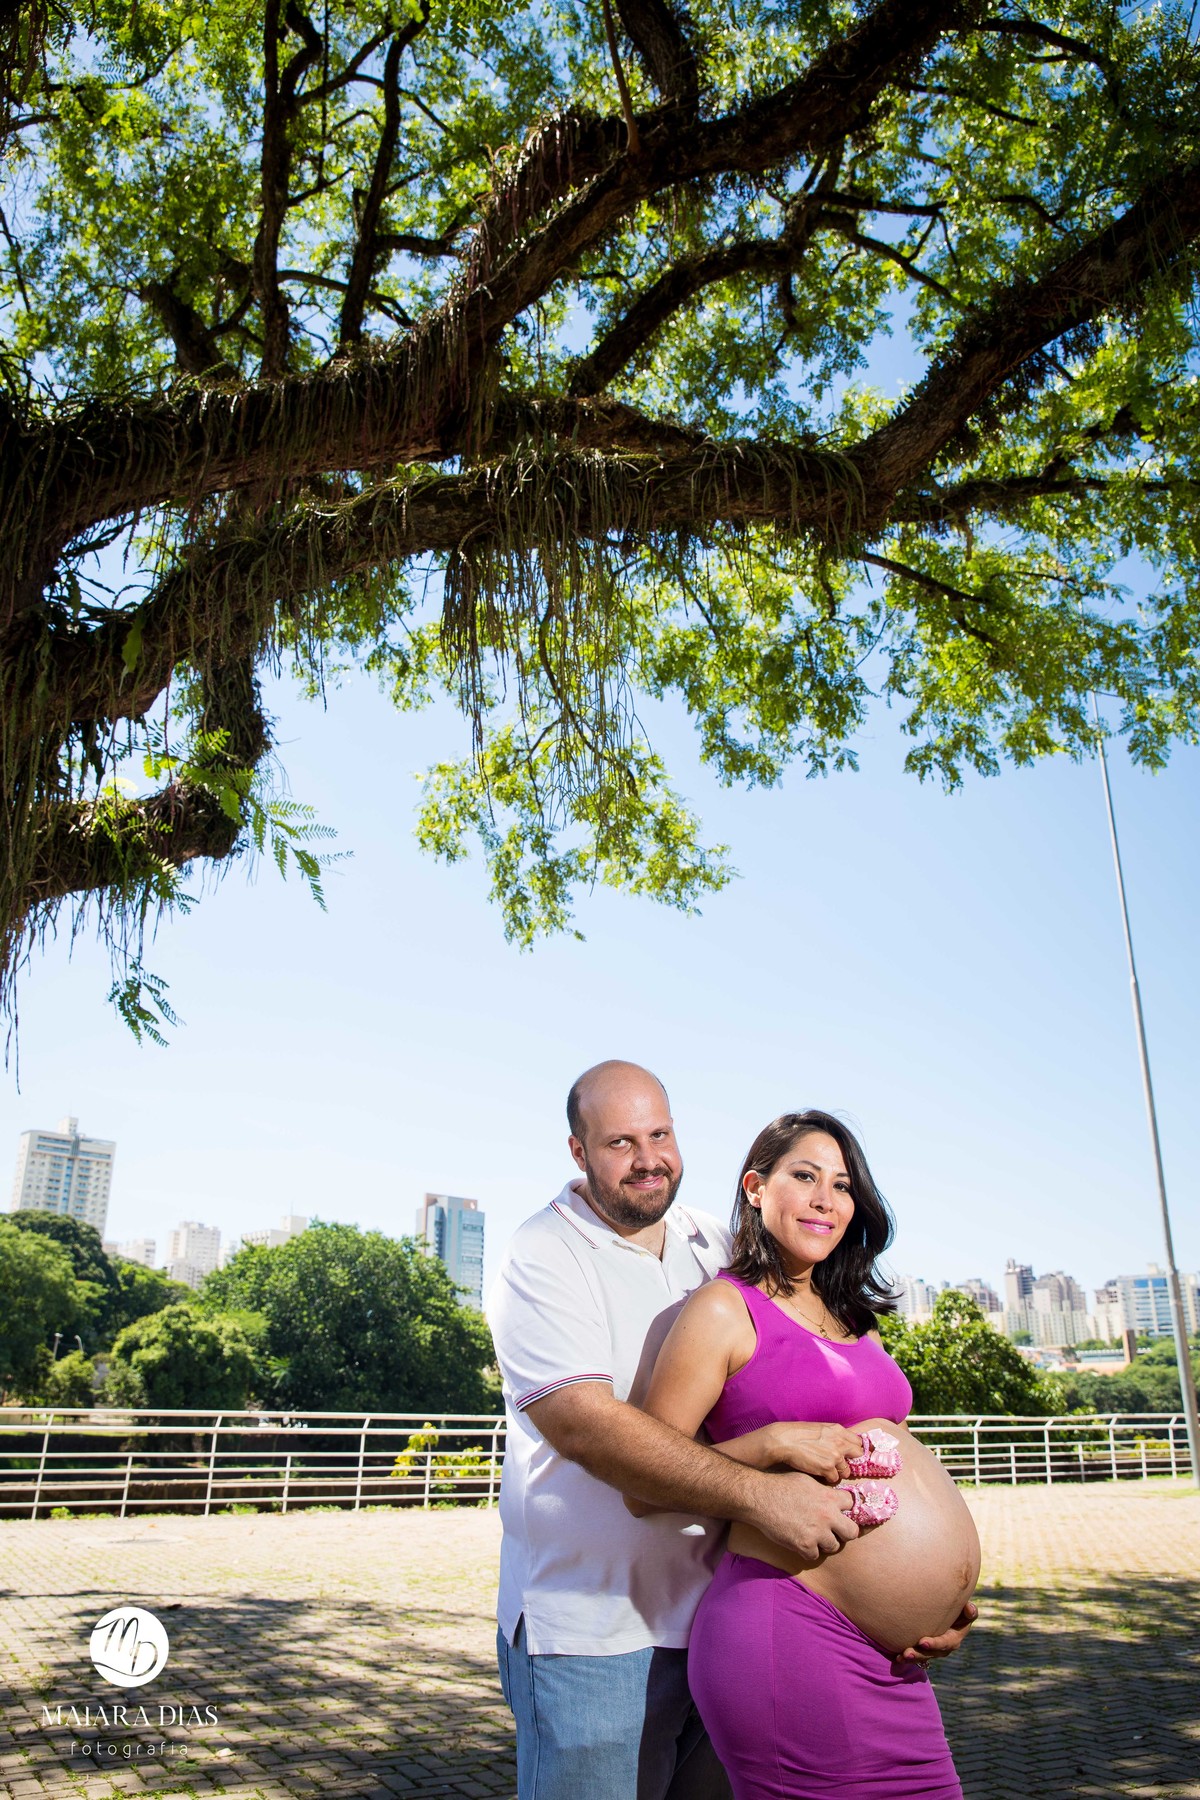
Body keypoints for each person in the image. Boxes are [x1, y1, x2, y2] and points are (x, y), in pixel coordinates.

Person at [486, 1065, 975, 1800]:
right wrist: (765, 1479)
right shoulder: (542, 1252)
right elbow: (587, 1426)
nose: (647, 1158)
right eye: (620, 1142)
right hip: (597, 1625)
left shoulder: (711, 1243)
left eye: (660, 1134)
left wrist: (918, 1592)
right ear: (578, 1151)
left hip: (720, 1604)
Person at [635, 1109, 981, 1800]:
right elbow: (644, 1481)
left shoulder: (855, 1320)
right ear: (755, 1188)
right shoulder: (723, 1309)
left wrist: (938, 1601)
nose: (826, 1199)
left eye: (843, 1185)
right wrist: (769, 1444)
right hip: (790, 1628)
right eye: (804, 1176)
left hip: (893, 1657)